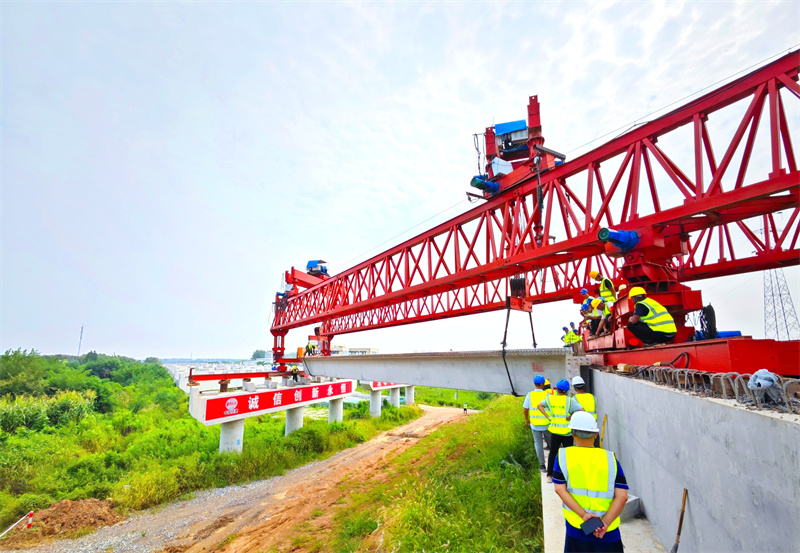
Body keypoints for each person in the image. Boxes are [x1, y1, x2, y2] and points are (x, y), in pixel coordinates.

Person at [553, 412, 628, 553]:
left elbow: (559, 489)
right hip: (607, 533)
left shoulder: (563, 456)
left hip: (577, 529)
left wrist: (584, 515)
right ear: (595, 435)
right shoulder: (610, 459)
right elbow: (622, 496)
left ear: (572, 434)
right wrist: (604, 523)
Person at [538, 379, 584, 483]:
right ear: (567, 390)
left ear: (557, 389)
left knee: (553, 452)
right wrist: (571, 416)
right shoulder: (570, 400)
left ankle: (550, 475)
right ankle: (569, 476)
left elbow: (539, 405)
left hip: (554, 431)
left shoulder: (550, 399)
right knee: (569, 454)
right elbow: (582, 410)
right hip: (567, 432)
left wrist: (548, 417)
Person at [523, 375, 551, 471]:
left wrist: (527, 420)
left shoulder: (529, 395)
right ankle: (554, 464)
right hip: (547, 425)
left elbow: (525, 409)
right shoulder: (547, 395)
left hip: (535, 425)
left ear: (535, 384)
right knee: (552, 445)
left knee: (538, 444)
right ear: (543, 384)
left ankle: (542, 466)